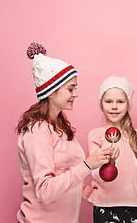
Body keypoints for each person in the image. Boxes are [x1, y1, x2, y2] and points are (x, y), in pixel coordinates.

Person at [16, 43, 118, 223]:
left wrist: (102, 161)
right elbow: (45, 191)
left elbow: (68, 177)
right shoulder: (38, 130)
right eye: (70, 89)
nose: (76, 94)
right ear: (51, 91)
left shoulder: (61, 126)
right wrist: (87, 165)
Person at [87, 76, 137, 223]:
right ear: (101, 104)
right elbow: (95, 174)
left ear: (128, 104)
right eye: (109, 101)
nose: (114, 107)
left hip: (134, 207)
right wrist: (108, 163)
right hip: (103, 207)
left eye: (120, 102)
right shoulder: (95, 135)